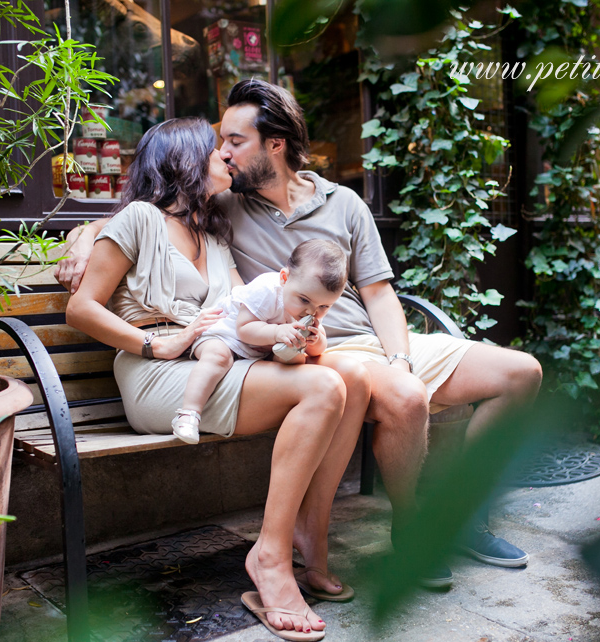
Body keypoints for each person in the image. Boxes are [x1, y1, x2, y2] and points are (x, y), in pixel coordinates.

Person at [57, 81, 543, 586]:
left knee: (520, 372)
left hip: (373, 342)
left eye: (235, 141)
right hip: (313, 346)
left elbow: (379, 295)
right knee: (403, 396)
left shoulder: (342, 203)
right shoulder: (226, 207)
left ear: (275, 144)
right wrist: (84, 234)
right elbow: (148, 211)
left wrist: (399, 356)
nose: (223, 153)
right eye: (218, 144)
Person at [65, 117, 371, 641]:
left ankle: (310, 540)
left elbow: (240, 312)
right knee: (324, 388)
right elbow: (81, 307)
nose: (228, 158)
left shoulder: (213, 235)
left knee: (352, 378)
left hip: (216, 358)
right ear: (186, 159)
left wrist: (299, 332)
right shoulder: (140, 218)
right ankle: (270, 559)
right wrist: (153, 342)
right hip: (158, 373)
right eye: (217, 151)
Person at [173, 239, 348, 444]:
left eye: (324, 307)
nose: (311, 311)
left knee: (296, 359)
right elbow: (244, 329)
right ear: (284, 278)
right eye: (304, 300)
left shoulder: (311, 308)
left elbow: (319, 350)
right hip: (225, 335)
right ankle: (188, 414)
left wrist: (314, 340)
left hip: (259, 349)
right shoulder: (266, 289)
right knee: (218, 358)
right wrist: (276, 331)